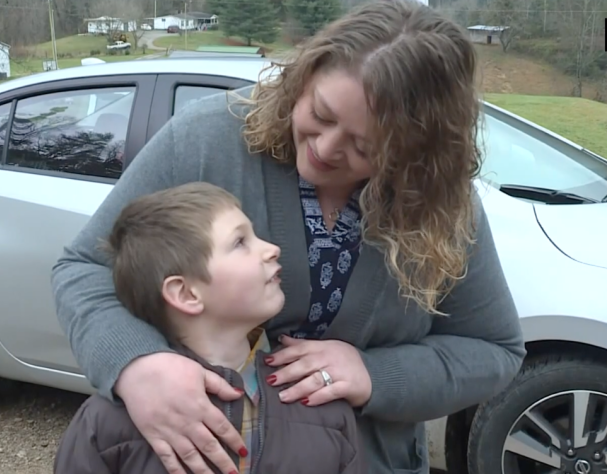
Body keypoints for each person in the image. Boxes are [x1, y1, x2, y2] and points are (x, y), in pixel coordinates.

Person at [50, 1, 527, 473]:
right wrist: (136, 363)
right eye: (321, 113)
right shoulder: (205, 140)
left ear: (415, 156)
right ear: (304, 77)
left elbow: (494, 349)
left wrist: (375, 374)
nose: (325, 148)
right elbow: (85, 269)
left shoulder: (440, 203)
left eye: (364, 147)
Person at [53, 182, 365, 474]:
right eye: (240, 242)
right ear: (186, 294)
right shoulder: (107, 423)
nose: (272, 248)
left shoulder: (323, 407)